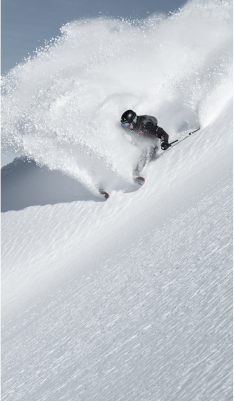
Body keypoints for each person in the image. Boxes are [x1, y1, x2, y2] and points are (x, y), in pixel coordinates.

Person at [121, 110, 171, 178]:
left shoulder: (146, 126)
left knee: (147, 149)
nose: (126, 126)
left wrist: (164, 142)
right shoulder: (129, 127)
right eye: (124, 124)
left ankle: (137, 174)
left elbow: (162, 133)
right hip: (138, 144)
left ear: (133, 121)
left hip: (151, 146)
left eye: (127, 124)